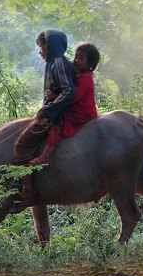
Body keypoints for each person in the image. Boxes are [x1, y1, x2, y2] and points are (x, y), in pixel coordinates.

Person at [16, 41, 100, 208]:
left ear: (90, 65)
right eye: (76, 57)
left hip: (80, 114)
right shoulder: (79, 73)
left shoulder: (86, 79)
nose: (76, 61)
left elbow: (74, 96)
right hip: (76, 109)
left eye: (81, 59)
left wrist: (54, 98)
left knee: (58, 126)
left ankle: (45, 156)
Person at [13, 30, 75, 204]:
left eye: (42, 47)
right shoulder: (54, 64)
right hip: (51, 113)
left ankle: (28, 189)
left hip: (55, 116)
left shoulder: (58, 63)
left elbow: (69, 91)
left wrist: (50, 108)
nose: (40, 52)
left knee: (21, 145)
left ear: (50, 46)